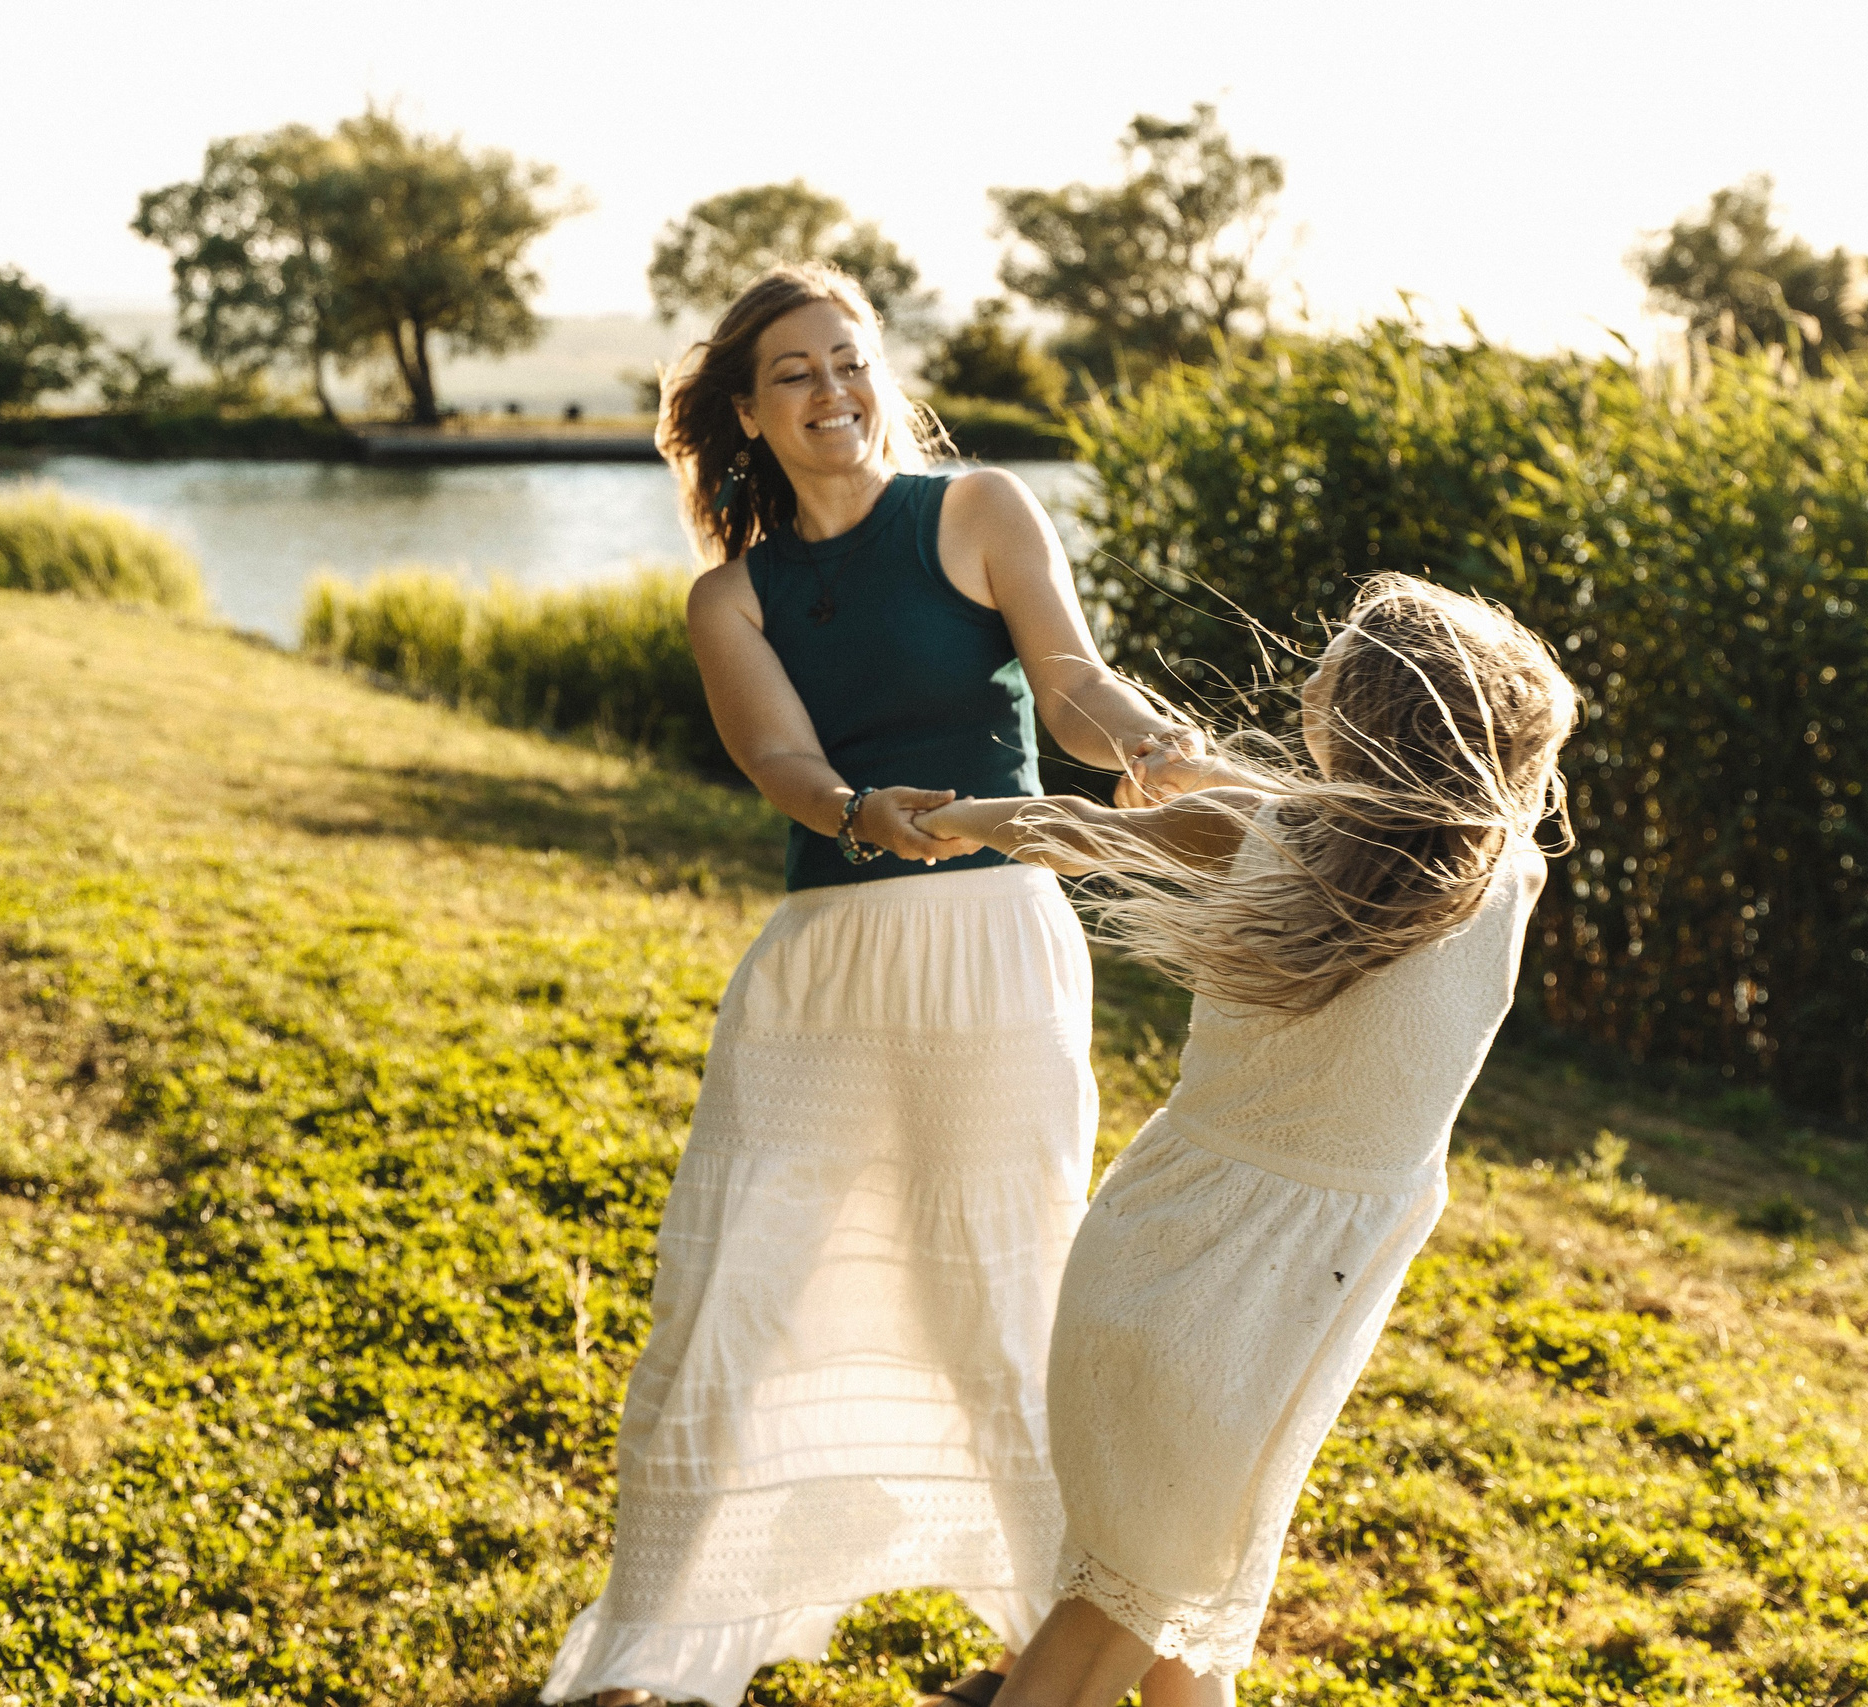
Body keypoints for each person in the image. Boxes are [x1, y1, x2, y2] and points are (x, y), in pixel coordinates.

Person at [539, 263, 1198, 1707]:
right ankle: (648, 1644)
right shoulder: (733, 597)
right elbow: (779, 759)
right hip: (825, 967)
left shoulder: (976, 512)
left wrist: (1159, 746)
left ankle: (1066, 1647)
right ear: (748, 416)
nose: (835, 391)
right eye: (797, 374)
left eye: (852, 362)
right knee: (741, 1271)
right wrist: (857, 810)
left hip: (996, 948)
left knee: (1007, 1281)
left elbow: (1075, 680)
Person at [913, 575, 1577, 1707]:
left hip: (1166, 1255)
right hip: (1293, 1298)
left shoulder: (1267, 837)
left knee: (1162, 1616)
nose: (1308, 676)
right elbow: (1376, 823)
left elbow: (1074, 828)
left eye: (1332, 665)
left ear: (1360, 715)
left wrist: (947, 818)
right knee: (1140, 1603)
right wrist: (1211, 779)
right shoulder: (1508, 874)